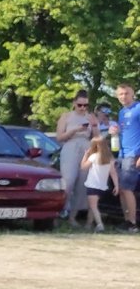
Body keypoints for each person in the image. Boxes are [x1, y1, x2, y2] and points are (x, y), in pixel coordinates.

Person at [55, 92, 98, 225]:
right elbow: (59, 137)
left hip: (86, 147)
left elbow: (97, 138)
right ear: (74, 103)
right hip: (70, 146)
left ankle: (73, 217)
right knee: (68, 181)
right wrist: (75, 130)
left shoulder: (90, 117)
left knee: (82, 184)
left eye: (85, 105)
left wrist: (95, 126)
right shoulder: (66, 116)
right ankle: (58, 212)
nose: (82, 108)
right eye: (80, 105)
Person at [80, 134, 118, 232]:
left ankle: (100, 224)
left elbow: (83, 167)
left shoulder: (93, 156)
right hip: (102, 186)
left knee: (93, 206)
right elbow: (113, 173)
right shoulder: (109, 158)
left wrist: (85, 155)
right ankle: (88, 224)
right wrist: (116, 186)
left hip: (92, 184)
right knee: (93, 206)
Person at [117, 83, 140, 232]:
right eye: (121, 94)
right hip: (122, 154)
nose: (124, 96)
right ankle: (126, 220)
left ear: (132, 94)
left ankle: (132, 222)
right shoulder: (121, 112)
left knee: (127, 188)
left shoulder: (138, 108)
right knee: (121, 189)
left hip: (133, 154)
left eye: (126, 93)